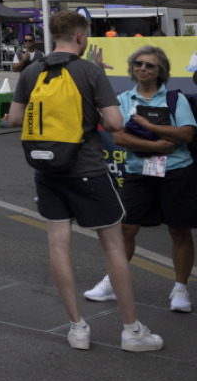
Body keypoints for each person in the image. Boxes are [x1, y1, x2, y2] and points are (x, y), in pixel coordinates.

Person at [8, 11, 163, 352]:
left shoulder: (32, 70)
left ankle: (77, 328)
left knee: (58, 247)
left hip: (47, 171)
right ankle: (131, 331)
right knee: (113, 246)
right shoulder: (90, 70)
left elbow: (15, 118)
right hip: (89, 169)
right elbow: (113, 122)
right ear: (80, 37)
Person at [83, 45, 196, 315]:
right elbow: (119, 137)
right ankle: (112, 283)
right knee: (126, 229)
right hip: (138, 173)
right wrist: (159, 143)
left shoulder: (174, 99)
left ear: (161, 71)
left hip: (177, 172)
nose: (142, 68)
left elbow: (187, 134)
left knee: (179, 230)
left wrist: (151, 128)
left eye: (149, 65)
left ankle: (180, 289)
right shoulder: (124, 99)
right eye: (138, 63)